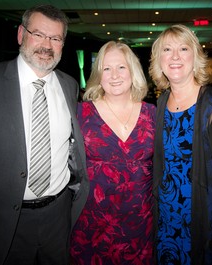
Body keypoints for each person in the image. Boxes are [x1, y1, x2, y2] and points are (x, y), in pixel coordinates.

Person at [0, 4, 89, 265]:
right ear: (21, 34)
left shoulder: (69, 85)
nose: (46, 44)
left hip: (58, 216)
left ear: (63, 44)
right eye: (38, 34)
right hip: (2, 220)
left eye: (55, 38)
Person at [149, 24, 212, 265]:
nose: (175, 56)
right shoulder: (160, 106)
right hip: (166, 227)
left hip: (203, 230)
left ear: (196, 56)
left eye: (183, 48)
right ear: (159, 60)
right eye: (167, 49)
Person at [69, 41, 156, 265]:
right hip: (92, 226)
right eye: (106, 68)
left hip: (141, 227)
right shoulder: (80, 114)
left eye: (121, 67)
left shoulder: (153, 113)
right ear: (99, 74)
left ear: (133, 71)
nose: (114, 75)